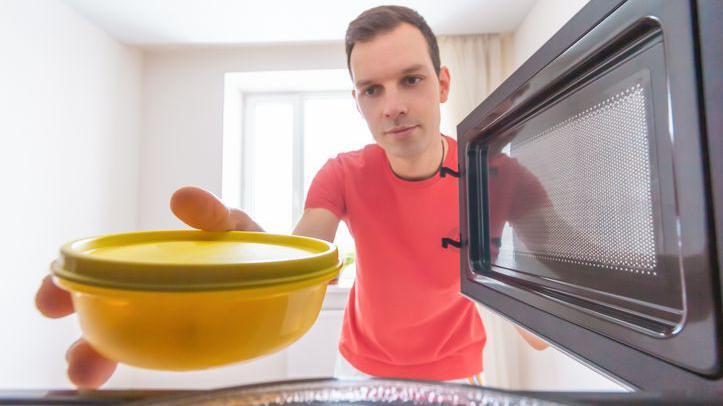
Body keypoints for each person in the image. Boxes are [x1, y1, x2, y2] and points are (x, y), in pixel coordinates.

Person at [35, 5, 548, 389]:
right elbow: (305, 258)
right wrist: (245, 262)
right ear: (358, 102)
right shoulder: (342, 174)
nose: (393, 106)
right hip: (358, 372)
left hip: (456, 377)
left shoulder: (501, 177)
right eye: (372, 90)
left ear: (441, 84)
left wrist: (494, 268)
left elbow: (542, 334)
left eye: (410, 80)